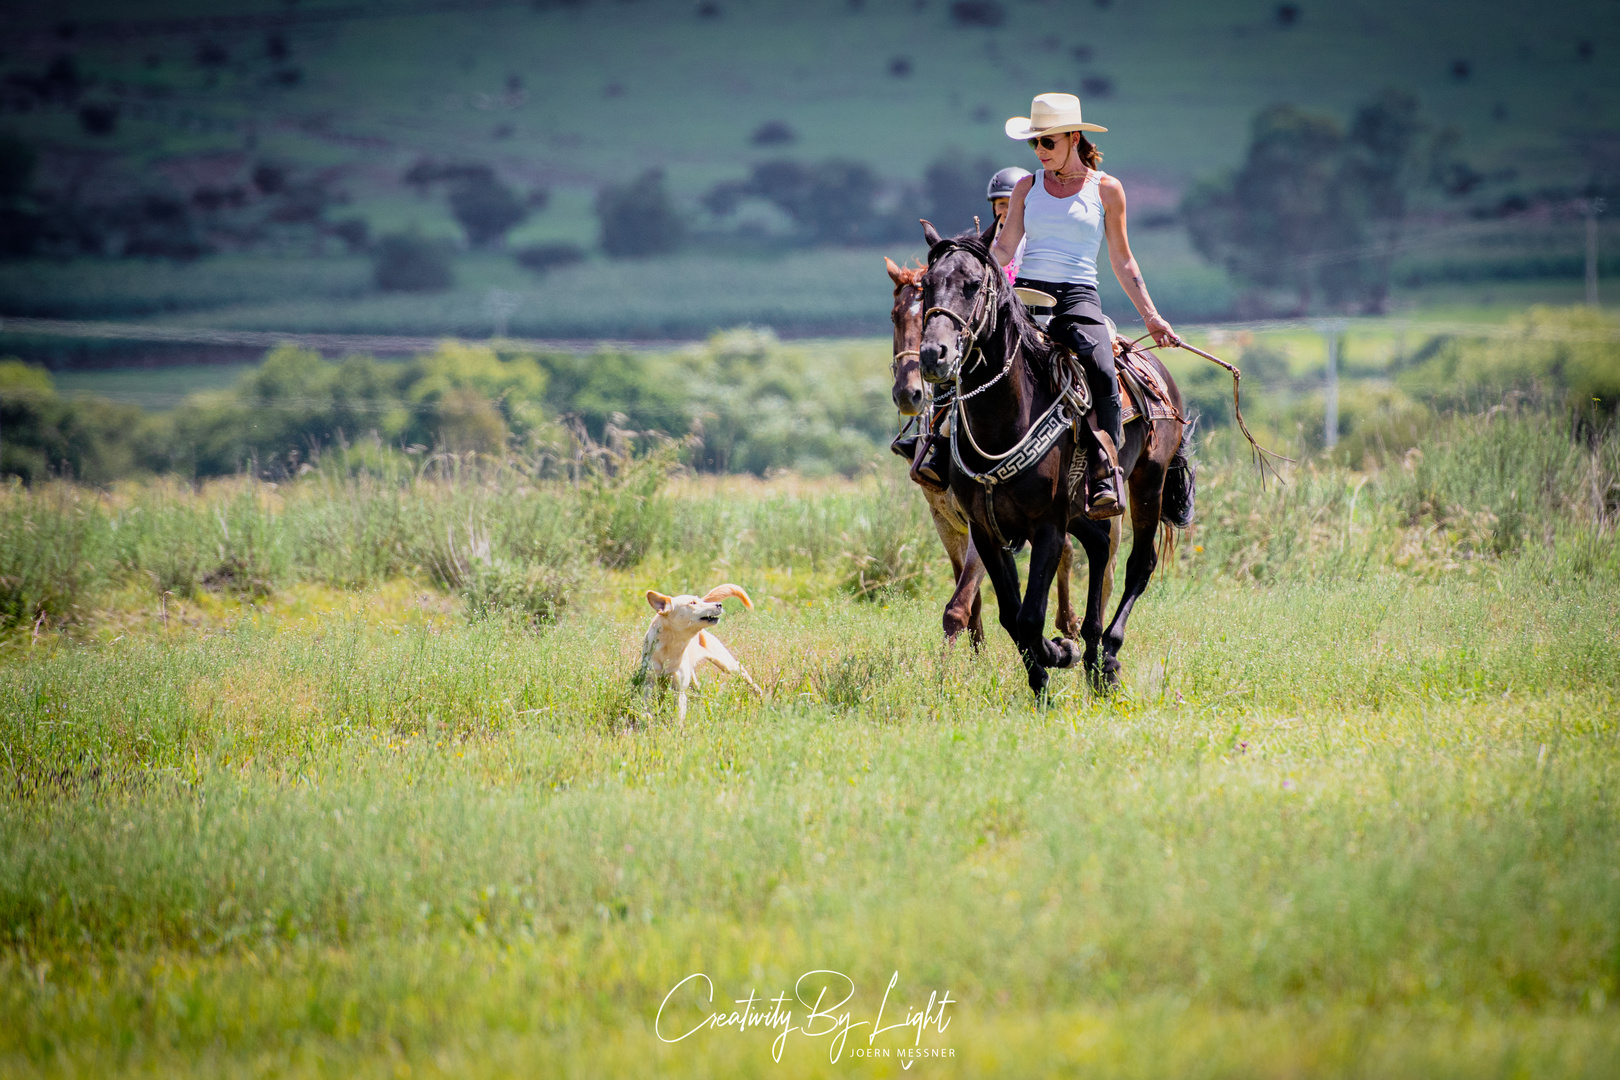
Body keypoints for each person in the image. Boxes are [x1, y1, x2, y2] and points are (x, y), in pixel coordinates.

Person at [990, 92, 1179, 518]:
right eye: (1034, 144)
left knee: (1101, 367)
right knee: (975, 354)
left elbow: (1122, 258)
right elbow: (1005, 248)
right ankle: (939, 449)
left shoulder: (1106, 190)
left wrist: (1152, 316)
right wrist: (969, 269)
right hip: (1027, 293)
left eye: (1048, 142)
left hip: (1077, 295)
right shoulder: (1027, 187)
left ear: (1074, 137)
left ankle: (1105, 473)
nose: (1039, 152)